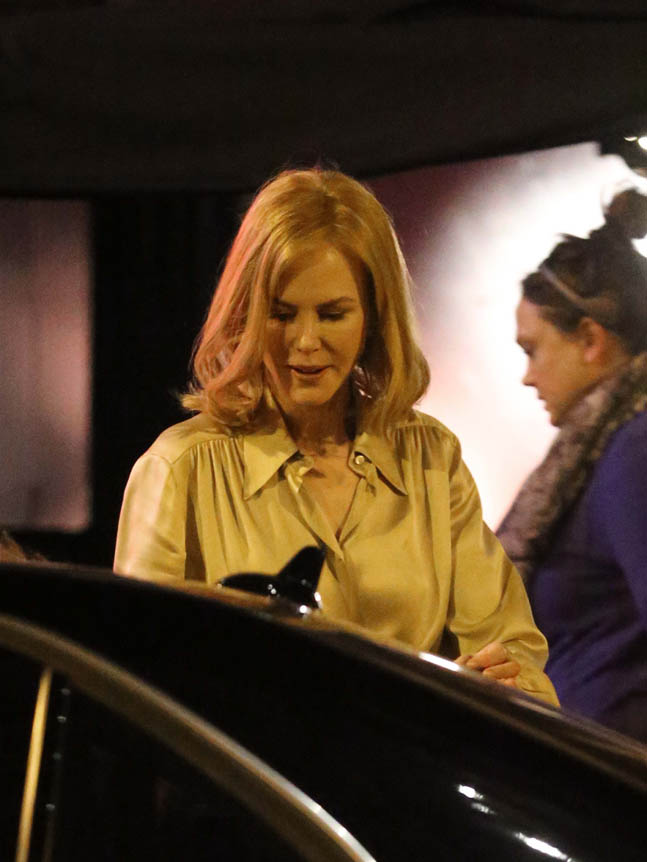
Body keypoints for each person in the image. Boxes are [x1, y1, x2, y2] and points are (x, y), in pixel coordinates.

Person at [114, 167, 556, 704]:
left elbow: (513, 653)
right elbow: (135, 683)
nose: (304, 341)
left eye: (331, 314)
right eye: (281, 314)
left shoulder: (431, 458)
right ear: (245, 315)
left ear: (374, 318)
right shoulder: (180, 469)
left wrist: (501, 679)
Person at [498, 187, 647, 740]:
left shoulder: (634, 450)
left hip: (613, 772)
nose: (527, 376)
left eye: (532, 349)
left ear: (589, 339)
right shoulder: (603, 449)